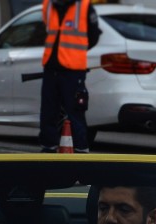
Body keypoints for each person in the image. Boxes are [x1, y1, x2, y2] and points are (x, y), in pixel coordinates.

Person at [38, 0, 98, 154]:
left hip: (72, 70)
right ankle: (48, 147)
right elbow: (46, 30)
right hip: (51, 68)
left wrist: (74, 54)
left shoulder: (84, 6)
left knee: (75, 112)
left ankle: (81, 149)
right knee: (48, 111)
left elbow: (93, 36)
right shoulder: (48, 4)